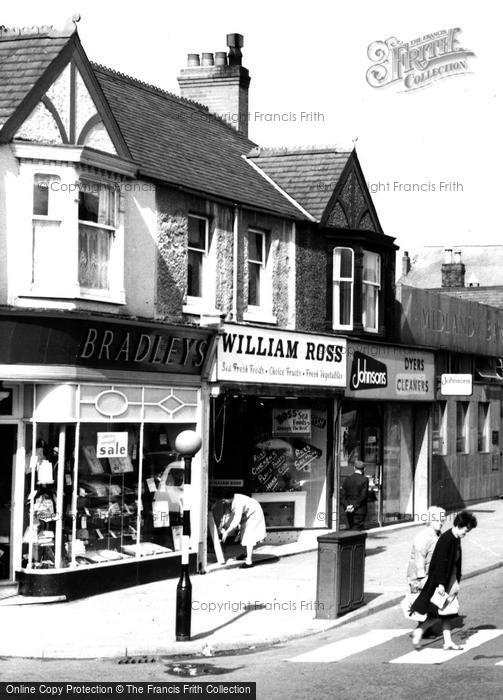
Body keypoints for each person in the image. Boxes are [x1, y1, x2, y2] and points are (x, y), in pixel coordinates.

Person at [410, 510, 478, 650]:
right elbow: (441, 563)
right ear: (460, 525)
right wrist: (441, 584)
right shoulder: (447, 539)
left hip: (449, 582)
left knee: (446, 612)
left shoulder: (454, 538)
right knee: (440, 612)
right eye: (466, 529)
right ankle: (421, 630)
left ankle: (446, 641)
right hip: (444, 583)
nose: (467, 533)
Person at [219, 494, 267, 567]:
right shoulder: (231, 501)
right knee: (244, 534)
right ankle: (246, 554)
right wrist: (224, 527)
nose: (223, 501)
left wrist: (227, 532)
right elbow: (229, 516)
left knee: (249, 536)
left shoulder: (238, 503)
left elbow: (236, 520)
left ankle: (249, 562)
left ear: (230, 498)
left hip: (254, 513)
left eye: (224, 499)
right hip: (247, 513)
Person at [407, 506, 446, 592]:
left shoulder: (439, 535)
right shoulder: (422, 537)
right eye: (437, 520)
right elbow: (419, 560)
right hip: (420, 579)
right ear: (430, 520)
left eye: (442, 520)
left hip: (433, 576)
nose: (440, 523)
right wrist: (422, 579)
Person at [340, 460, 369, 531]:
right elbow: (363, 496)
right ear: (364, 469)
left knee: (351, 528)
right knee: (357, 531)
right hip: (359, 510)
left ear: (354, 468)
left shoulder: (347, 479)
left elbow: (342, 495)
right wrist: (353, 506)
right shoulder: (365, 479)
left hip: (349, 510)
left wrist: (347, 506)